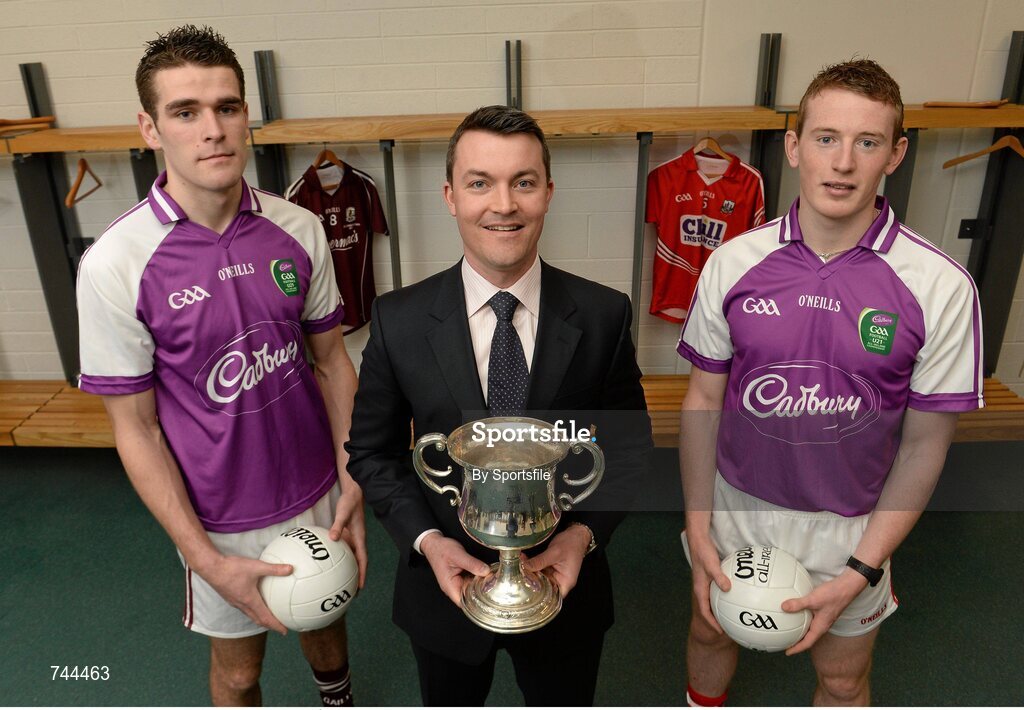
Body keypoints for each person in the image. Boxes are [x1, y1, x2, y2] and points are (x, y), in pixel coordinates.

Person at [75, 25, 367, 707]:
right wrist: (204, 558)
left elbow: (333, 363)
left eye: (226, 107)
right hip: (220, 518)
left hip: (318, 487)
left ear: (244, 116)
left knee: (326, 624)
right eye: (185, 112)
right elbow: (136, 429)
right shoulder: (115, 263)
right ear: (150, 128)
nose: (212, 130)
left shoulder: (298, 228)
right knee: (238, 674)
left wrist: (355, 475)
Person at [678, 59, 983, 706]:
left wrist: (863, 567)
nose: (843, 163)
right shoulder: (733, 262)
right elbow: (704, 400)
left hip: (850, 529)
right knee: (709, 635)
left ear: (895, 154)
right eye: (826, 138)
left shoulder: (941, 287)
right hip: (737, 510)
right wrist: (698, 527)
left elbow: (925, 445)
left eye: (867, 142)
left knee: (842, 679)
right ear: (794, 147)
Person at [344, 105, 652, 706]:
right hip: (443, 592)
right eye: (480, 182)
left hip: (565, 589)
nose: (504, 205)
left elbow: (627, 446)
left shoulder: (602, 314)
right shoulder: (399, 320)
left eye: (524, 182)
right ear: (451, 196)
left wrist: (582, 536)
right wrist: (427, 542)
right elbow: (372, 453)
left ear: (548, 193)